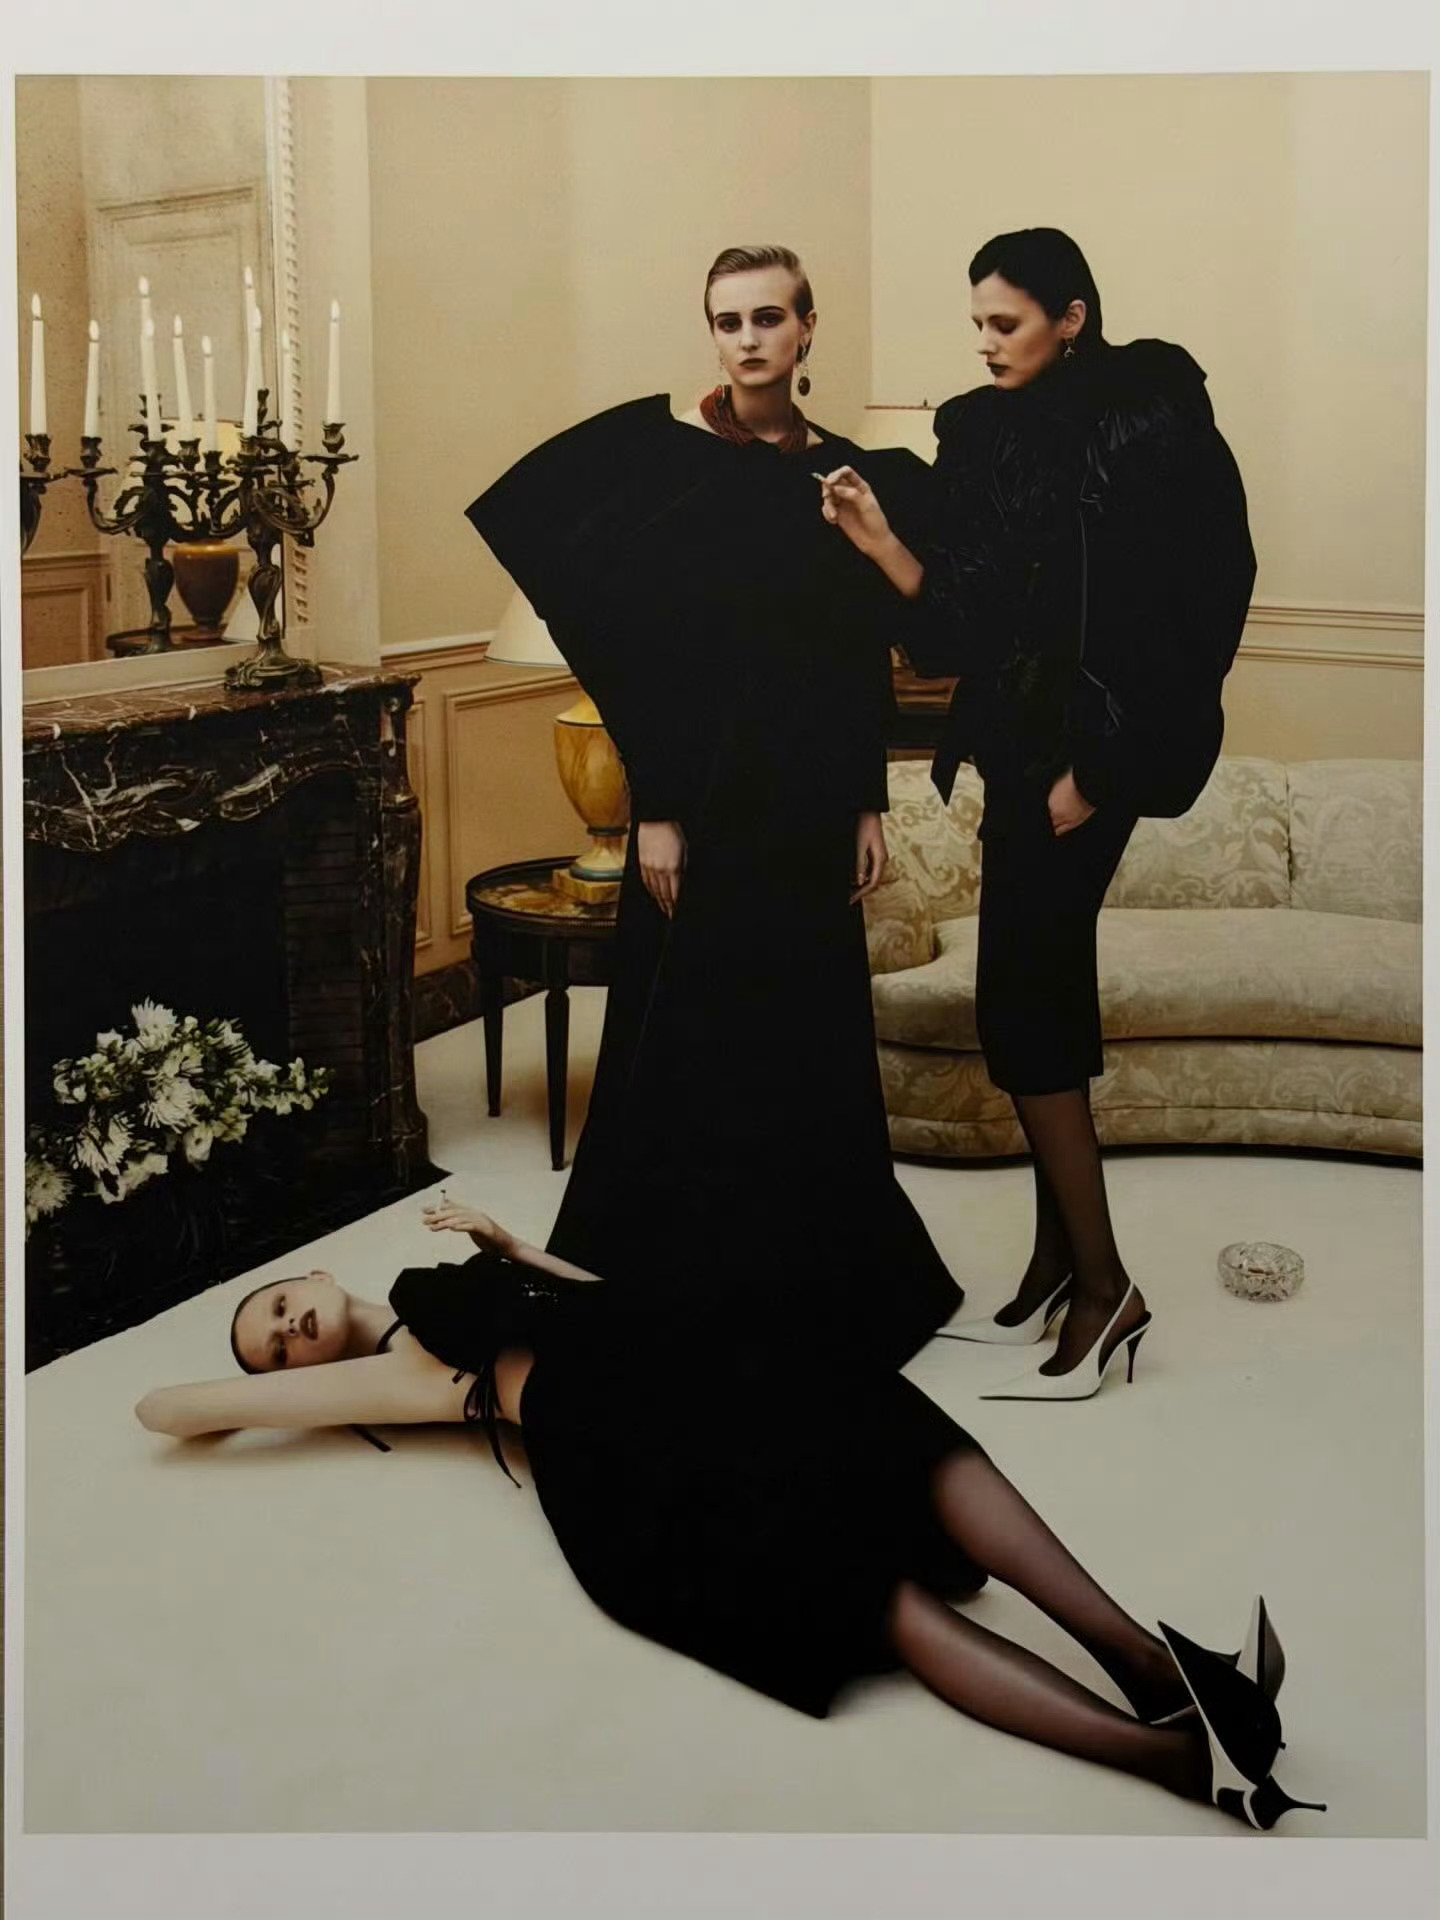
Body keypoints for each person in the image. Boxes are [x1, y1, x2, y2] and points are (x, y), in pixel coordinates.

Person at [134, 1194, 1323, 1834]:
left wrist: (516, 1248)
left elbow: (605, 1300)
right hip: (633, 1457)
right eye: (275, 1347)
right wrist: (256, 1393)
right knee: (859, 1589)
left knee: (899, 1433)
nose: (289, 1331)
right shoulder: (394, 1367)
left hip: (694, 1360)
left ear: (314, 1276)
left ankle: (1147, 1661)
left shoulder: (449, 1273)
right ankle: (1177, 1761)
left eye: (279, 1307)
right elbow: (165, 1407)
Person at [465, 244, 962, 1369]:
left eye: (769, 318)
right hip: (702, 801)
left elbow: (858, 653)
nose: (748, 339)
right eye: (728, 321)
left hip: (809, 801)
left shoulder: (849, 478)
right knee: (687, 1037)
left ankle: (813, 1278)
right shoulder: (668, 468)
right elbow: (638, 658)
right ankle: (676, 1278)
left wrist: (865, 801)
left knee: (806, 1040)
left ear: (807, 328)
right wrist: (656, 805)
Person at [816, 228, 1256, 1399]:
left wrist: (1100, 773)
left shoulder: (1152, 423)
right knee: (1033, 994)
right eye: (976, 323)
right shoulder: (988, 434)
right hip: (1020, 754)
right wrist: (877, 538)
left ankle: (1107, 1287)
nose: (984, 343)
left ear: (1071, 317)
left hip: (1090, 761)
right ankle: (1061, 1257)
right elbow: (965, 619)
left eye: (1004, 322)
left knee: (1025, 1000)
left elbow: (1202, 606)